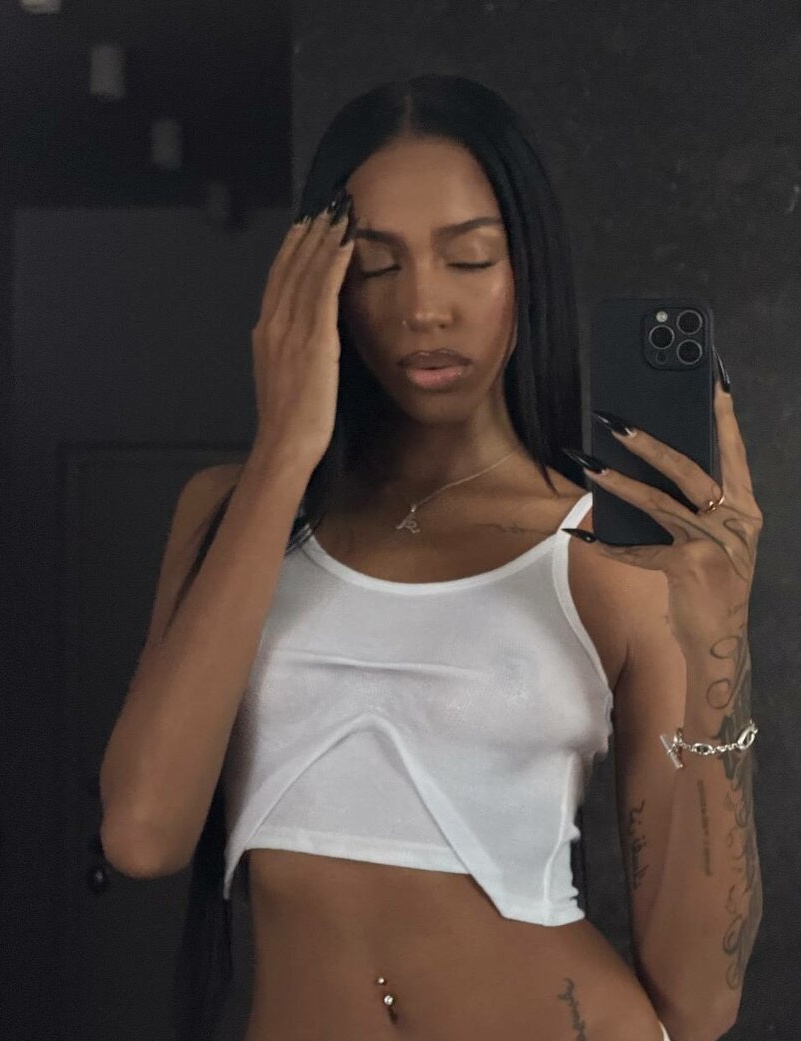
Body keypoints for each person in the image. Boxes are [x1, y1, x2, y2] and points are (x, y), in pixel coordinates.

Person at [99, 75, 762, 1041]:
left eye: (469, 258)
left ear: (525, 268)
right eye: (376, 265)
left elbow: (700, 1003)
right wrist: (285, 449)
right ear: (318, 285)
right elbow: (143, 831)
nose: (423, 308)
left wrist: (715, 647)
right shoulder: (232, 513)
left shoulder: (614, 554)